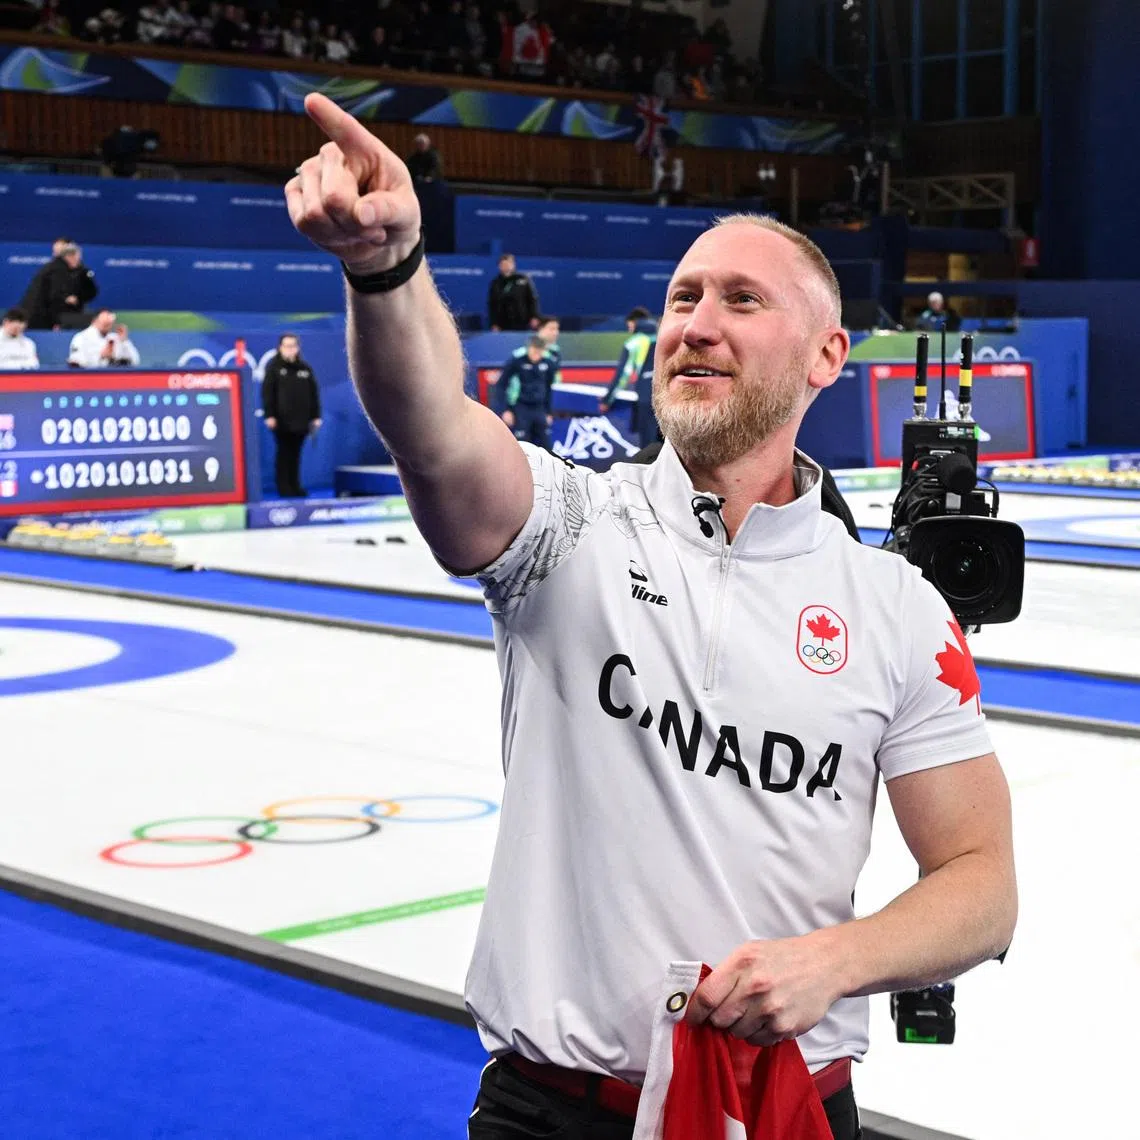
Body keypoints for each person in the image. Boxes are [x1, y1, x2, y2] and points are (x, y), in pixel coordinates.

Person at [285, 94, 1018, 1140]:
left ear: (825, 356)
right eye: (683, 298)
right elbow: (432, 431)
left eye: (741, 301)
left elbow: (982, 884)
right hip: (556, 1111)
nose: (696, 325)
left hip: (789, 1108)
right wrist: (385, 270)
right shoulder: (574, 526)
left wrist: (833, 963)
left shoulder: (894, 606)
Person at [261, 332, 322, 498]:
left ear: (298, 348)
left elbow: (313, 393)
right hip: (281, 421)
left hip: (301, 421)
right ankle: (284, 487)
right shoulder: (274, 368)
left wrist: (316, 416)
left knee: (296, 455)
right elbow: (268, 393)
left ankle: (295, 485)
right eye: (286, 346)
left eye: (293, 346)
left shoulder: (305, 369)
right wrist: (270, 415)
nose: (290, 349)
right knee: (284, 454)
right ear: (280, 348)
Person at [600, 306, 659, 448]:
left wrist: (607, 399)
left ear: (634, 323)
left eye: (629, 325)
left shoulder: (634, 343)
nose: (629, 329)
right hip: (666, 394)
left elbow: (622, 375)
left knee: (648, 445)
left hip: (646, 396)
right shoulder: (663, 337)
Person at [492, 335, 556, 449]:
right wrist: (506, 410)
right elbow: (501, 385)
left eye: (539, 351)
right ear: (528, 348)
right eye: (534, 350)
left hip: (539, 408)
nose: (536, 354)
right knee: (522, 446)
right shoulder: (517, 361)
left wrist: (549, 412)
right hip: (522, 408)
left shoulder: (548, 363)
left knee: (547, 445)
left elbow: (549, 388)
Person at [20, 240, 99, 330]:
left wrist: (78, 298)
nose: (79, 261)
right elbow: (53, 297)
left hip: (39, 317)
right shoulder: (56, 270)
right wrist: (56, 321)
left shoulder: (78, 270)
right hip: (40, 319)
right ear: (69, 257)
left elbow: (92, 291)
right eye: (77, 257)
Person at [67, 309, 140, 368]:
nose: (107, 325)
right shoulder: (81, 337)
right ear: (94, 321)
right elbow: (76, 363)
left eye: (109, 323)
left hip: (115, 379)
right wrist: (101, 357)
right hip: (91, 380)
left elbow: (135, 361)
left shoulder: (115, 338)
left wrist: (124, 340)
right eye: (104, 322)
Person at [487, 253, 540, 332]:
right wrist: (493, 323)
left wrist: (534, 316)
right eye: (503, 264)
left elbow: (532, 299)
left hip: (522, 320)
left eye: (508, 263)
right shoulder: (495, 283)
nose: (506, 266)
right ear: (499, 266)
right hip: (502, 322)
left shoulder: (523, 279)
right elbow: (492, 304)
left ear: (513, 265)